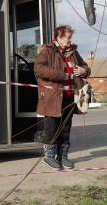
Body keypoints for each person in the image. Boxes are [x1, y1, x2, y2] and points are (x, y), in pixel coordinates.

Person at [34, 25, 91, 170]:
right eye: (68, 37)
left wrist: (84, 70)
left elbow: (85, 66)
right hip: (53, 97)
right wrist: (61, 75)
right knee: (52, 128)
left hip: (70, 97)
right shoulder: (47, 52)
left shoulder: (73, 52)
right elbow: (38, 69)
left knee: (66, 129)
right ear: (58, 38)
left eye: (71, 37)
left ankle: (63, 157)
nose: (70, 40)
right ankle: (49, 158)